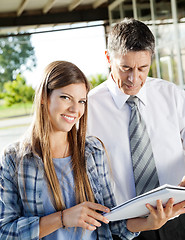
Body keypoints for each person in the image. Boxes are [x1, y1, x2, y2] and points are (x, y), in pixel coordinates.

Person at [1, 60, 184, 240]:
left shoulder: (93, 151)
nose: (75, 109)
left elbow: (110, 221)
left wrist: (149, 224)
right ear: (43, 97)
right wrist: (62, 218)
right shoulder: (14, 159)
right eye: (65, 97)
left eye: (81, 101)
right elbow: (5, 231)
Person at [87, 18, 185, 240]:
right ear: (108, 58)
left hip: (177, 217)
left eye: (142, 68)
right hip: (126, 228)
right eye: (125, 68)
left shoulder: (171, 95)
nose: (134, 78)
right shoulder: (89, 107)